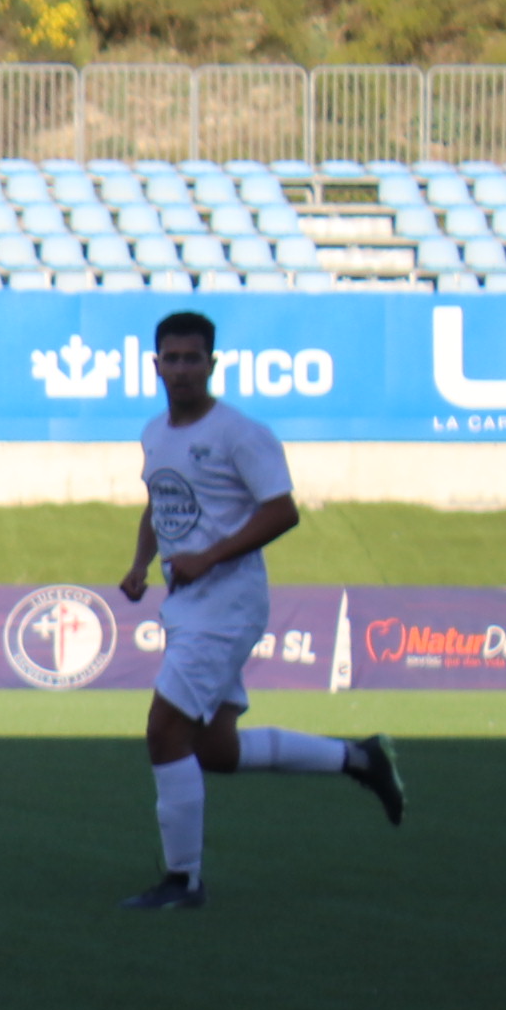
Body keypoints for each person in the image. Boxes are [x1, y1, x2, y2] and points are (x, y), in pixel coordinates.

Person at [116, 309, 403, 910]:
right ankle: (359, 758)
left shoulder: (240, 433)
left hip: (228, 603)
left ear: (212, 364)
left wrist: (210, 556)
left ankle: (183, 881)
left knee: (164, 730)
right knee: (214, 750)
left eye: (194, 358)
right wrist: (142, 563)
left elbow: (282, 510)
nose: (183, 368)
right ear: (155, 365)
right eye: (172, 358)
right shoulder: (155, 433)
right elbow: (159, 498)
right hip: (188, 604)